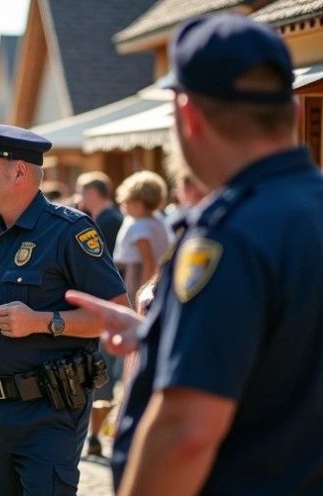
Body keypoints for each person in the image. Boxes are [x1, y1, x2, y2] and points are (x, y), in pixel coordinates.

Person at [66, 14, 323, 496]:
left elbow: (185, 432)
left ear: (187, 115)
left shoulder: (230, 233)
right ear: (288, 107)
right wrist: (161, 337)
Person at [0, 120, 127, 495]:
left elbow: (114, 314)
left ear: (19, 170)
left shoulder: (68, 230)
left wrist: (41, 322)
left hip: (48, 410)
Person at [73, 170, 124, 457]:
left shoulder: (107, 221)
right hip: (109, 307)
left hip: (111, 308)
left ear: (93, 192)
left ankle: (96, 435)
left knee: (104, 374)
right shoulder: (104, 219)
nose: (80, 197)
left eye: (82, 191)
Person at [113, 170, 172, 306]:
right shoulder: (158, 220)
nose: (123, 206)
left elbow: (148, 262)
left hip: (136, 277)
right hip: (158, 276)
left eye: (127, 201)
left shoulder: (139, 226)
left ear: (138, 204)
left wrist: (144, 292)